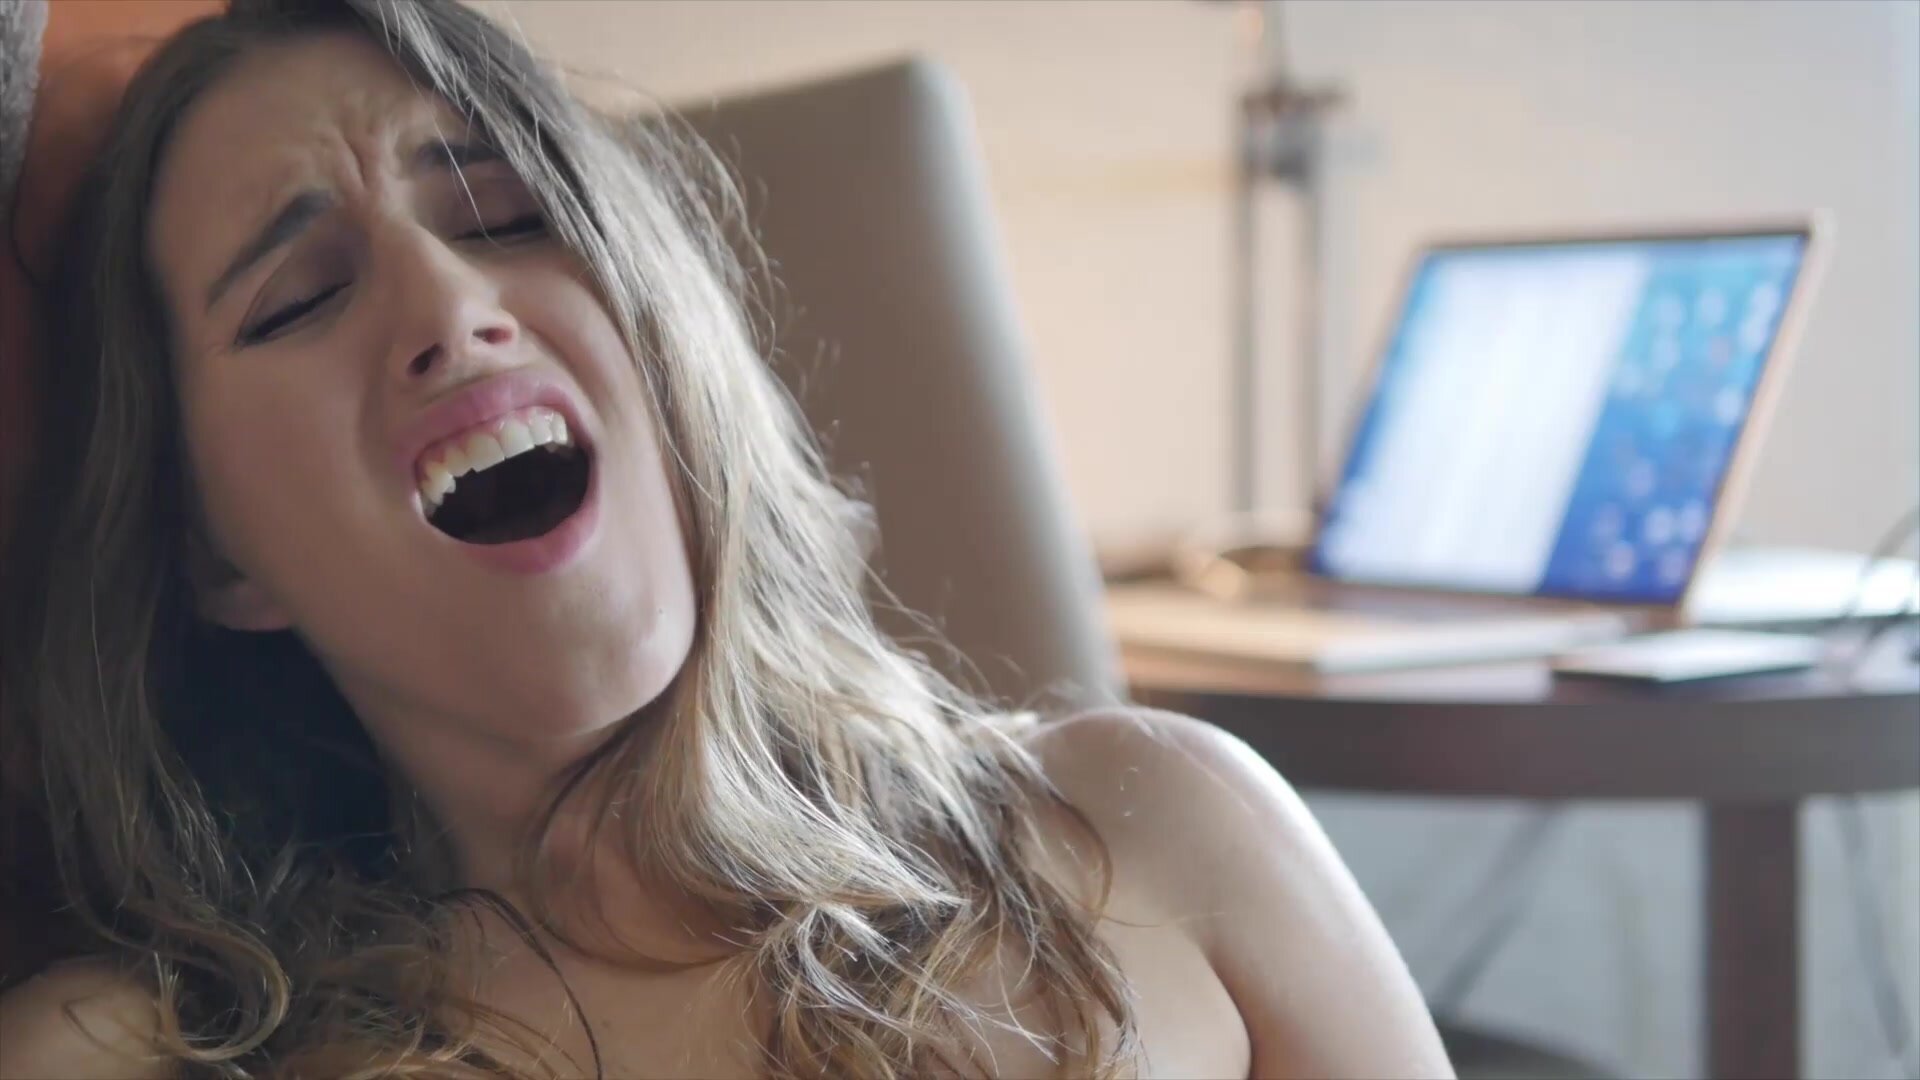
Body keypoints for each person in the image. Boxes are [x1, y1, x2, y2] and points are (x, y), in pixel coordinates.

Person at [0, 1, 1453, 1076]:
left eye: (503, 216)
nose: (449, 306)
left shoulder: (1163, 819)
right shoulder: (147, 1054)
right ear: (216, 556)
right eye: (300, 299)